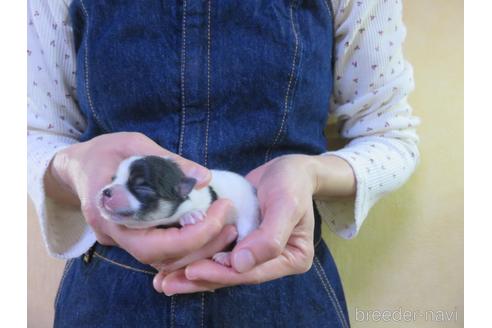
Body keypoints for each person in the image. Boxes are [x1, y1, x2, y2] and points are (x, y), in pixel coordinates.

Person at [27, 0, 420, 327]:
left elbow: (391, 137)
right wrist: (73, 169)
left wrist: (309, 173)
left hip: (282, 289)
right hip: (108, 300)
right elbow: (32, 135)